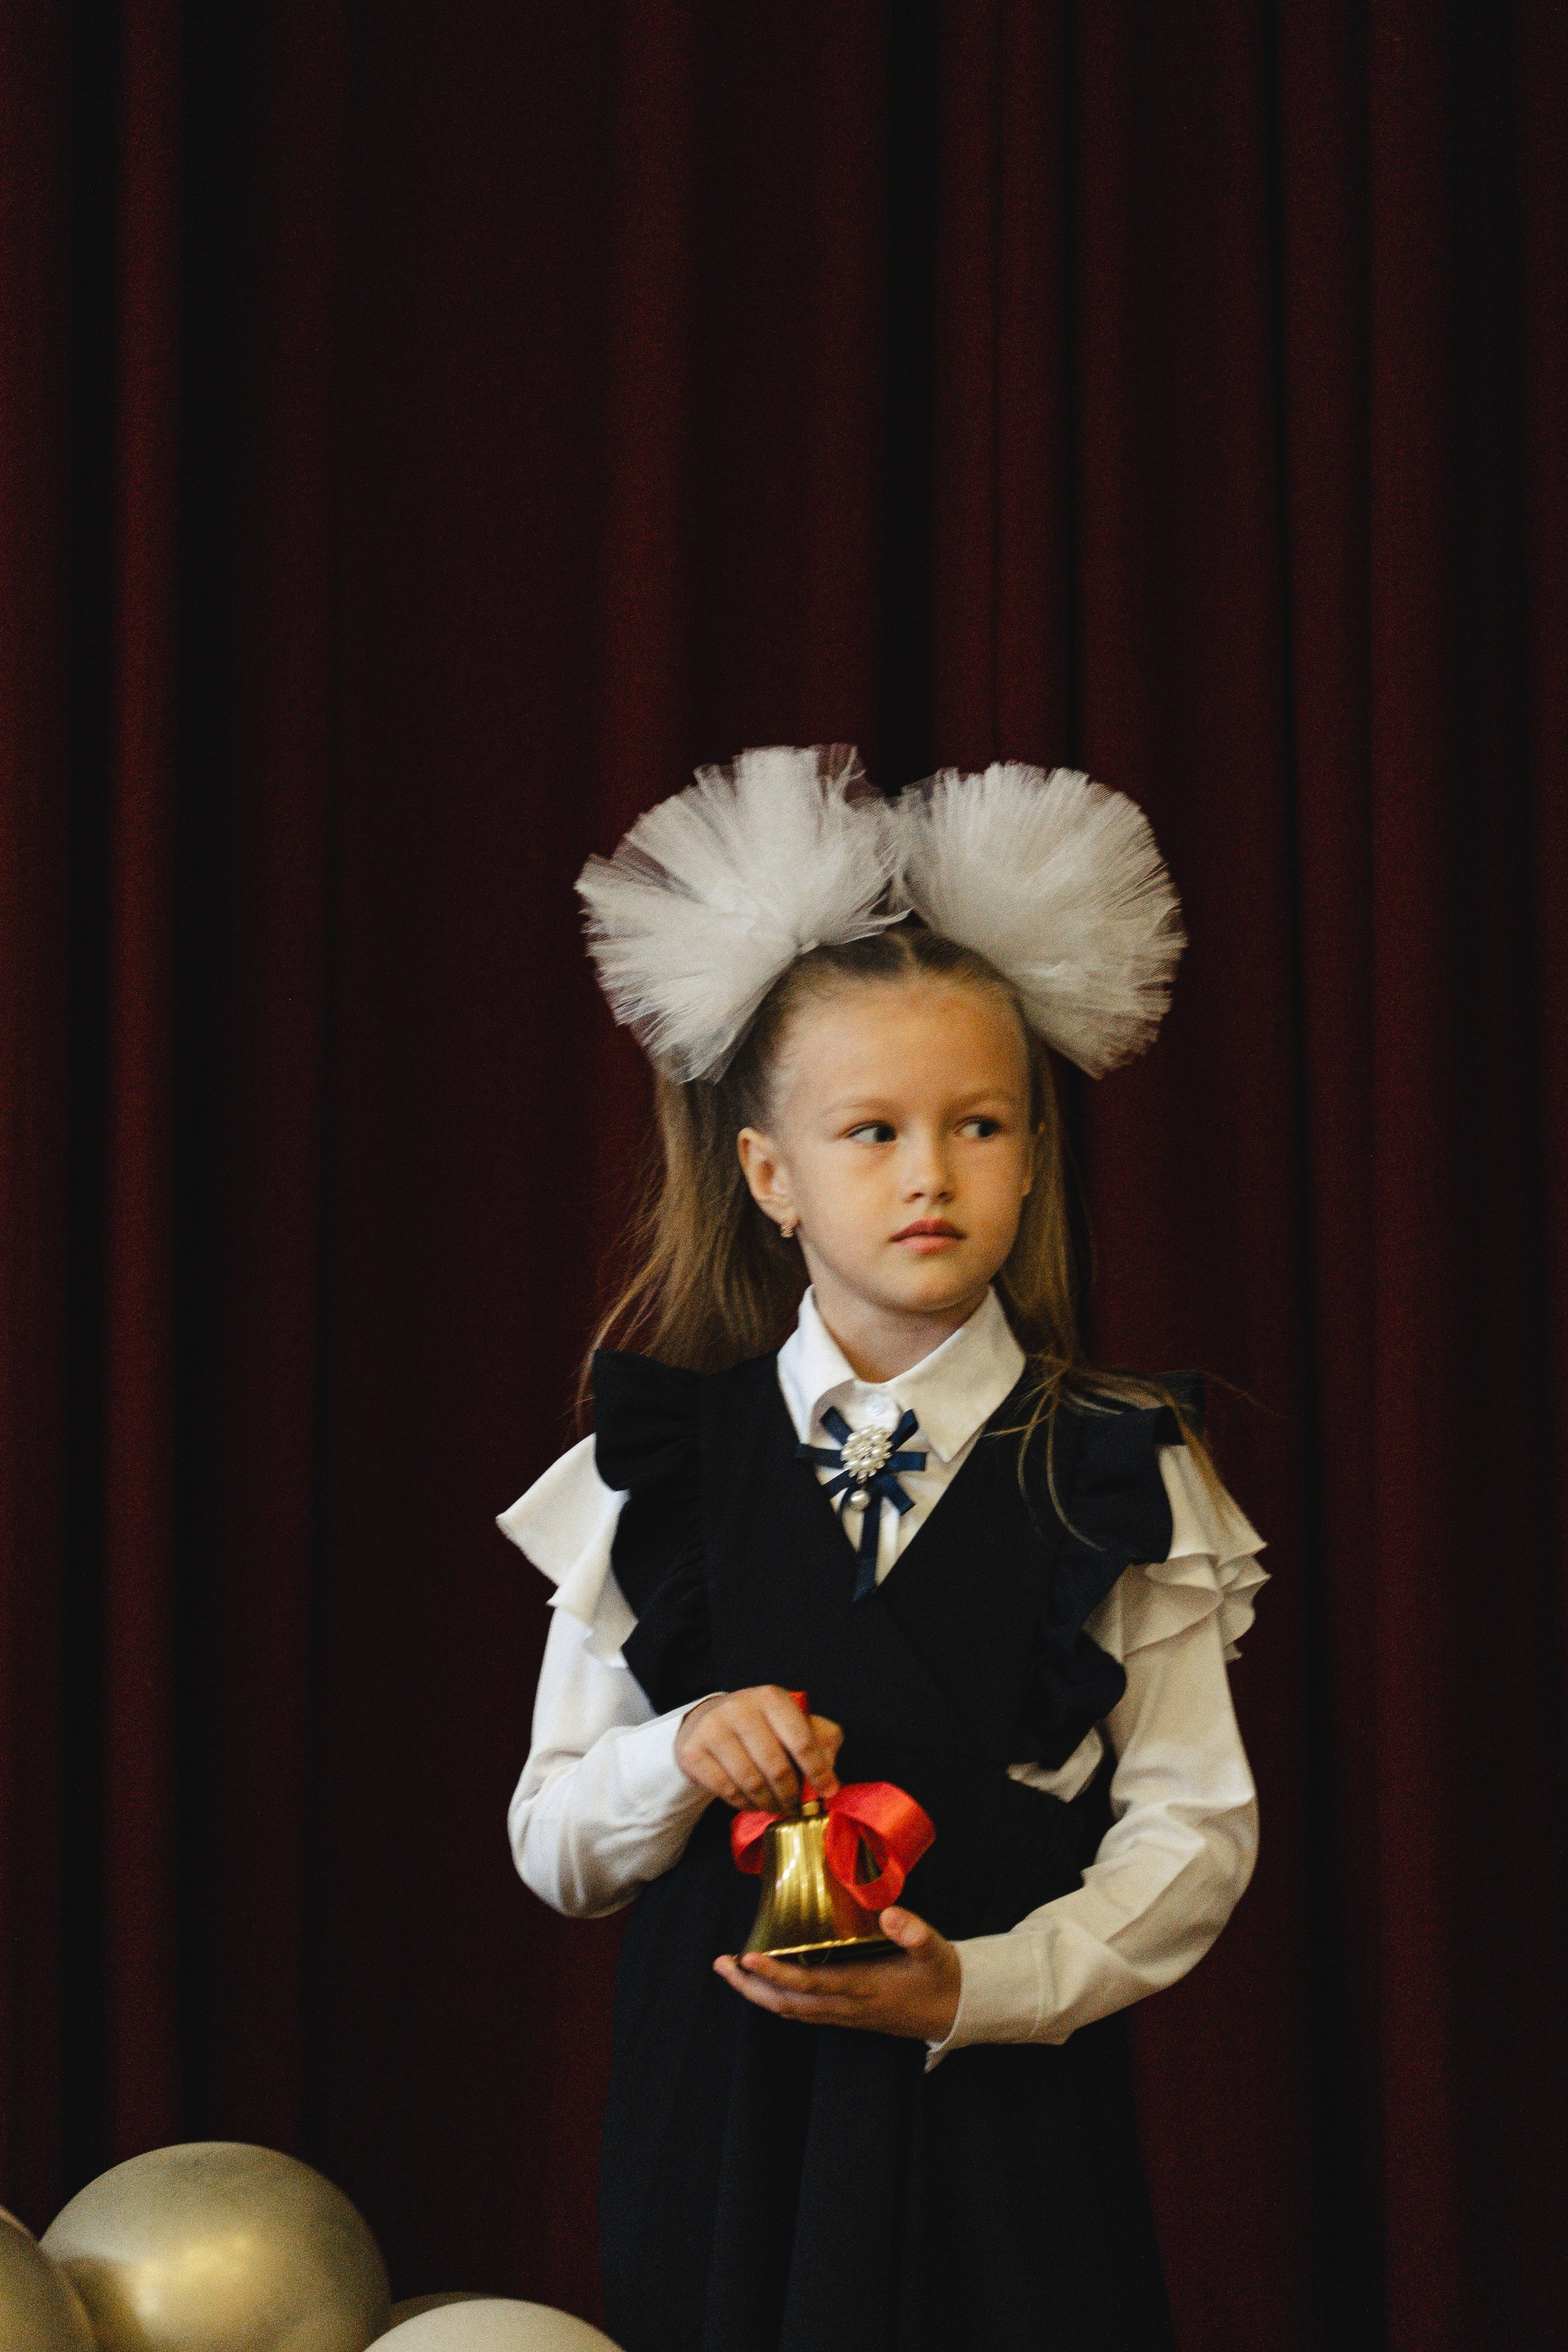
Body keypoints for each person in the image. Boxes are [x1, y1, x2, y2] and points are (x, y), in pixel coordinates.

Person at [501, 746, 1267, 2352]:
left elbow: (1196, 1826)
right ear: (770, 1175)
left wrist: (979, 1993)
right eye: (871, 1132)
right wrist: (680, 1756)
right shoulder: (655, 1475)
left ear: (1034, 1152)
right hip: (718, 2145)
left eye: (979, 1124)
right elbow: (555, 1845)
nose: (930, 1172)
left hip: (1001, 2148)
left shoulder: (1117, 1472)